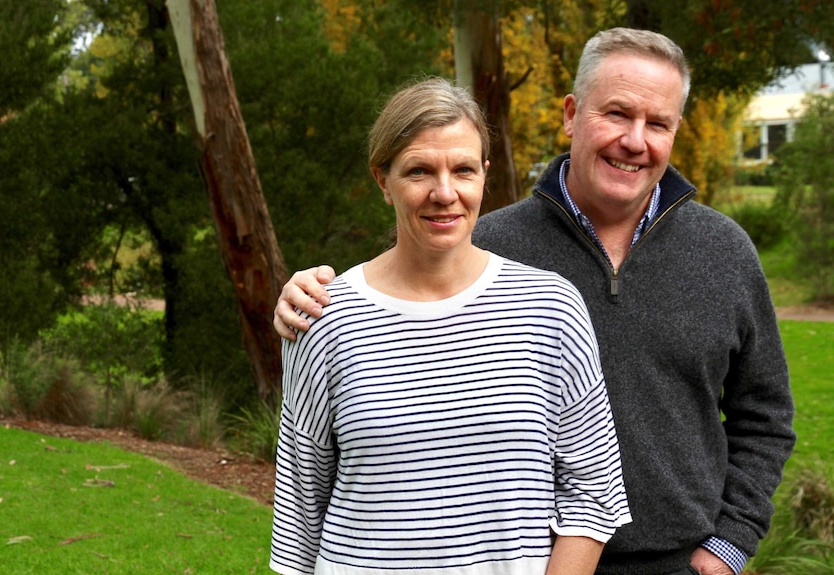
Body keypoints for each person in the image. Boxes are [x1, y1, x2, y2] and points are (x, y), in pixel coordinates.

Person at [272, 28, 796, 575]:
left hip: (676, 563)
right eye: (616, 114)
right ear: (571, 114)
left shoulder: (723, 252)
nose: (635, 140)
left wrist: (730, 545)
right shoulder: (488, 243)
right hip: (533, 559)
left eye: (657, 123)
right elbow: (399, 296)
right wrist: (306, 296)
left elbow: (765, 415)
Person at [269, 77, 631, 575]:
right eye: (418, 170)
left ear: (484, 174)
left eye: (462, 169)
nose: (445, 193)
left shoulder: (550, 308)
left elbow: (593, 494)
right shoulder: (324, 316)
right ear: (382, 179)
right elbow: (299, 517)